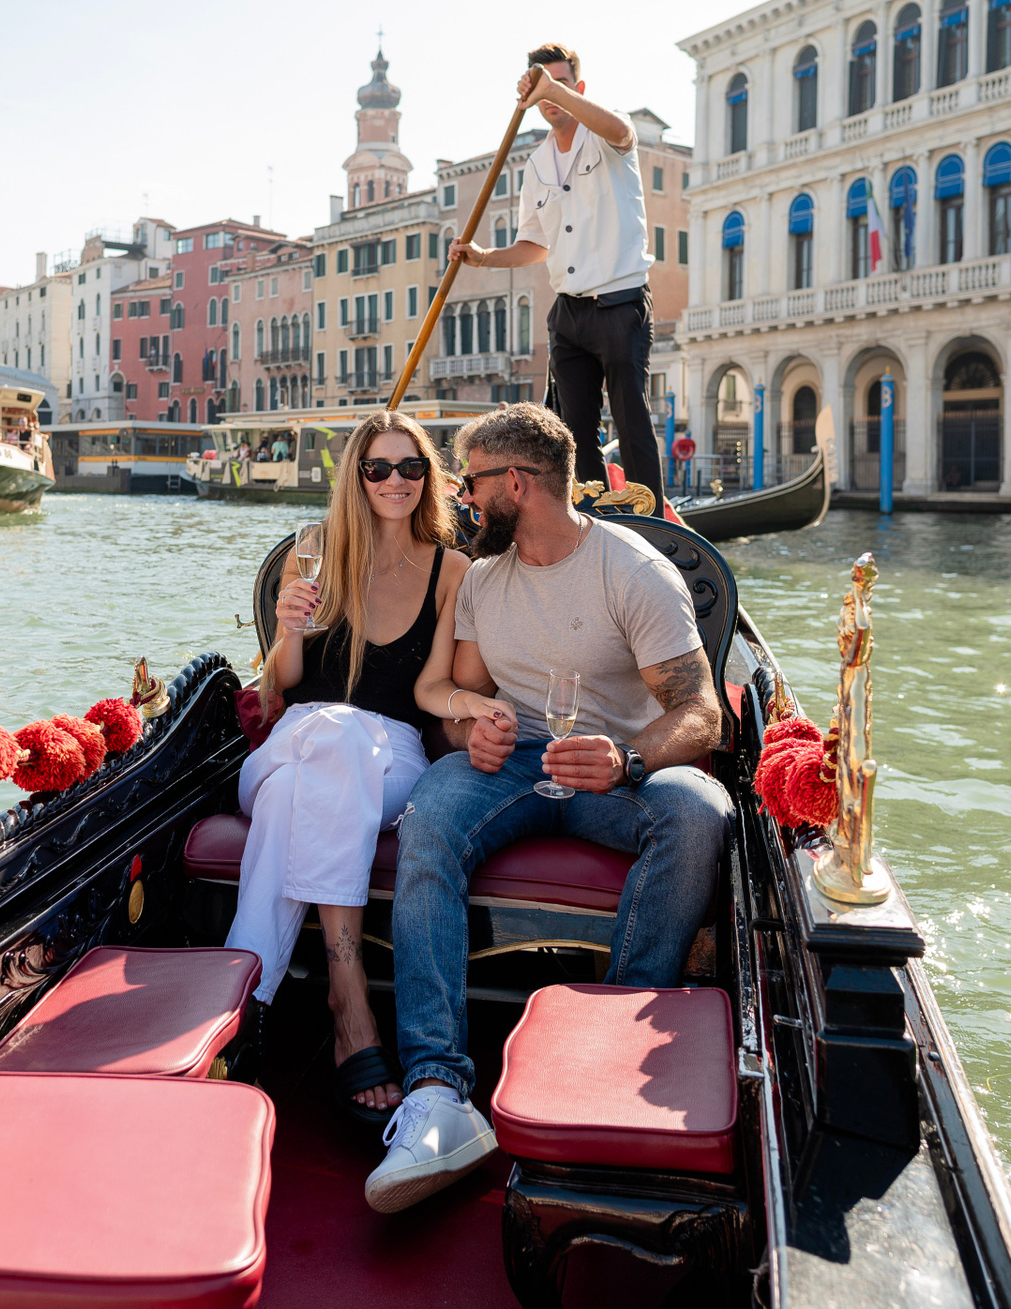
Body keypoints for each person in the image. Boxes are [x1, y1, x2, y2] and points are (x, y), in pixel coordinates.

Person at [362, 402, 732, 1213]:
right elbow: (458, 703)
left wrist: (627, 759)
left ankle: (612, 1050)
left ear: (516, 485)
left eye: (470, 483)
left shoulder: (632, 572)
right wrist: (472, 733)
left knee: (698, 811)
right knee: (429, 815)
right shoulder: (483, 579)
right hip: (516, 770)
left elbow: (703, 712)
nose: (461, 498)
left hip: (618, 773)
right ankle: (437, 1091)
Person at [225, 410, 475, 1125]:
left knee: (304, 779)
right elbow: (279, 685)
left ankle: (239, 1001)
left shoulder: (451, 571)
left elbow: (431, 692)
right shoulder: (314, 551)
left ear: (428, 477)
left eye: (411, 467)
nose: (396, 480)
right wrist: (288, 628)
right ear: (357, 478)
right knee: (319, 744)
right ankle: (348, 995)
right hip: (297, 738)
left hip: (391, 755)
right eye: (378, 468)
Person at [446, 43, 664, 512]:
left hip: (620, 301)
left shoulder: (606, 134)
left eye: (561, 84)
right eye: (544, 87)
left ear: (577, 88)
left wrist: (551, 90)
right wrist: (483, 258)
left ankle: (651, 525)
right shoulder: (536, 165)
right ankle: (594, 520)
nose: (551, 95)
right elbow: (535, 245)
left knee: (632, 420)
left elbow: (623, 132)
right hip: (567, 313)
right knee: (573, 433)